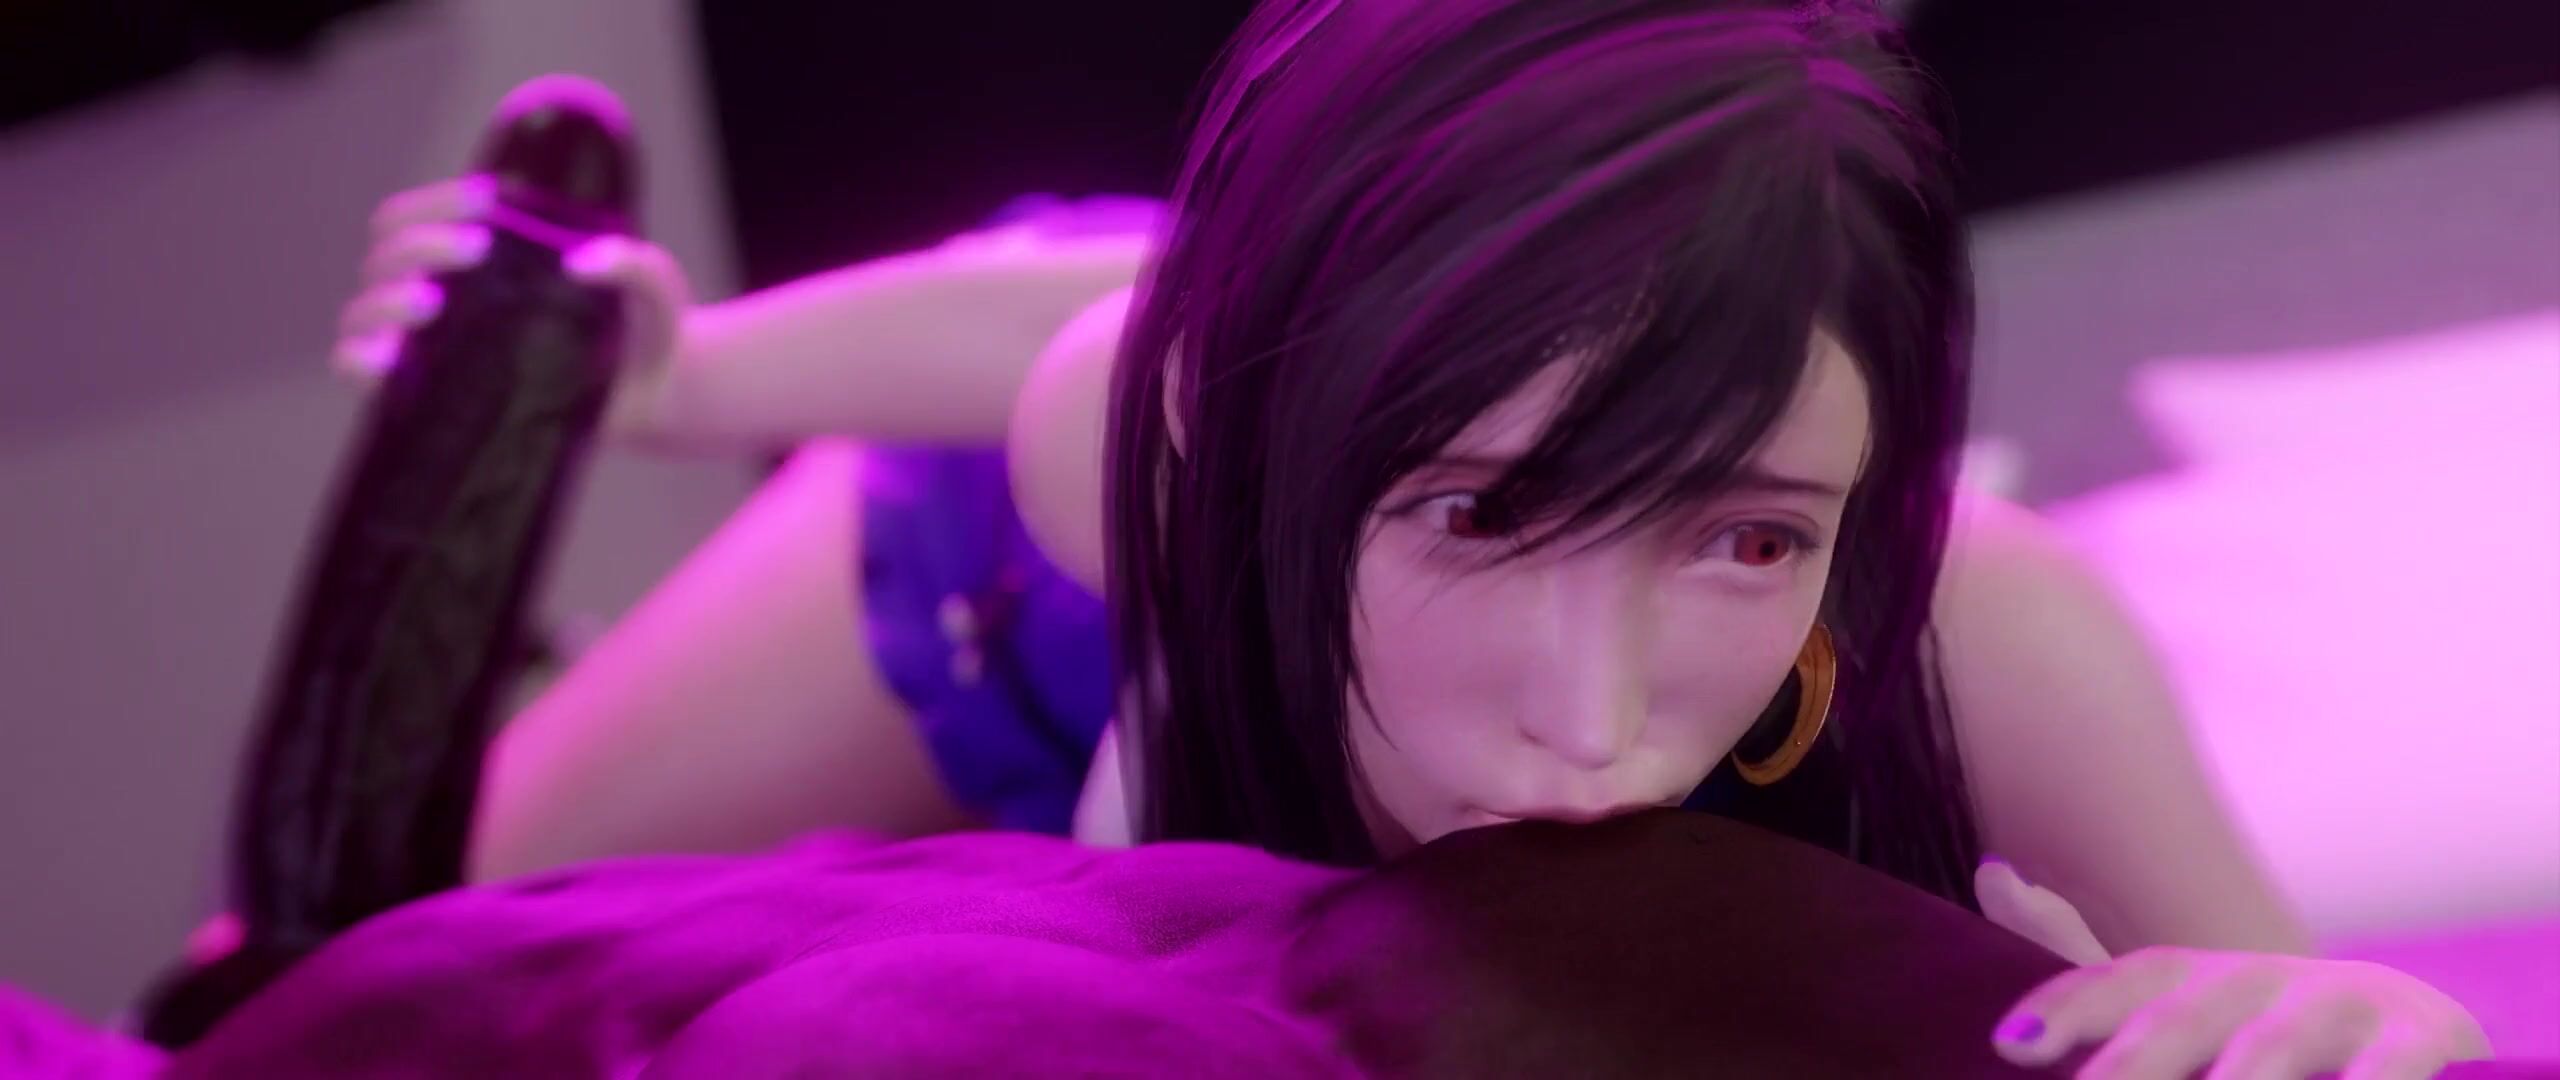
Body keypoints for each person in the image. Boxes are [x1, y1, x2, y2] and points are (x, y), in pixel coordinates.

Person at [331, 1, 2491, 1074]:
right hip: (1000, 595)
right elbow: (1089, 310)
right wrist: (687, 378)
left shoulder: (1986, 632)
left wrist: (2355, 1020)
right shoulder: (1142, 432)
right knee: (381, 938)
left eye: (1746, 541)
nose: (1590, 728)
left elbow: (2332, 1014)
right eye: (1481, 508)